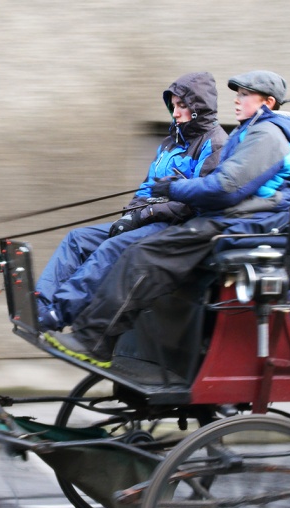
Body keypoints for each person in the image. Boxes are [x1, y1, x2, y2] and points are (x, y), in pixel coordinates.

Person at [48, 70, 290, 367]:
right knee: (142, 249)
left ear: (267, 102)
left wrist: (173, 188)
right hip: (238, 220)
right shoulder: (254, 131)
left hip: (253, 225)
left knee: (145, 254)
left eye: (244, 95)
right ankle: (80, 326)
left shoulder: (268, 135)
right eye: (237, 94)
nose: (237, 101)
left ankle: (94, 341)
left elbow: (225, 188)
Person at [35, 71, 228, 331]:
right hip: (147, 217)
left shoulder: (215, 144)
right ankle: (39, 306)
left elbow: (196, 201)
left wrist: (144, 216)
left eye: (182, 105)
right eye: (173, 105)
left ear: (198, 107)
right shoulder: (170, 142)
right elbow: (148, 186)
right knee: (77, 239)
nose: (175, 112)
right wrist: (130, 214)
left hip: (176, 227)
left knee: (111, 248)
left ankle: (60, 313)